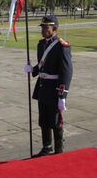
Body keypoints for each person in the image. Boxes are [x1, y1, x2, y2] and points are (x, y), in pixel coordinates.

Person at [25, 15, 73, 157]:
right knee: (43, 120)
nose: (44, 30)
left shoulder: (61, 46)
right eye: (43, 27)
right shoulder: (41, 44)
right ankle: (47, 147)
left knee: (56, 121)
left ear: (54, 28)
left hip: (54, 89)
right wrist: (33, 70)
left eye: (47, 27)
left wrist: (62, 95)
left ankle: (58, 150)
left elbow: (66, 71)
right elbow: (42, 66)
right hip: (42, 87)